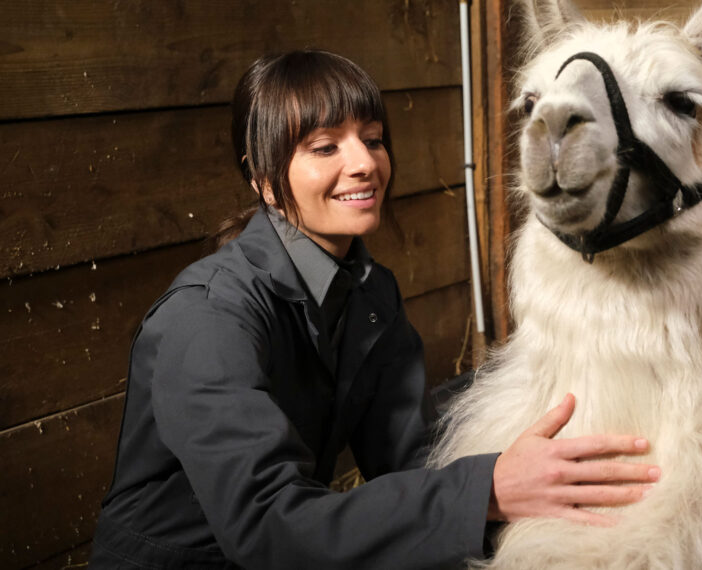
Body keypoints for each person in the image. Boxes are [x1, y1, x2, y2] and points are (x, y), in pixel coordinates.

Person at [89, 50, 660, 569]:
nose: (364, 163)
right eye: (325, 147)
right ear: (264, 179)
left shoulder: (367, 292)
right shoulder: (207, 318)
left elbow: (413, 459)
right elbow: (267, 526)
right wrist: (487, 489)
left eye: (374, 138)